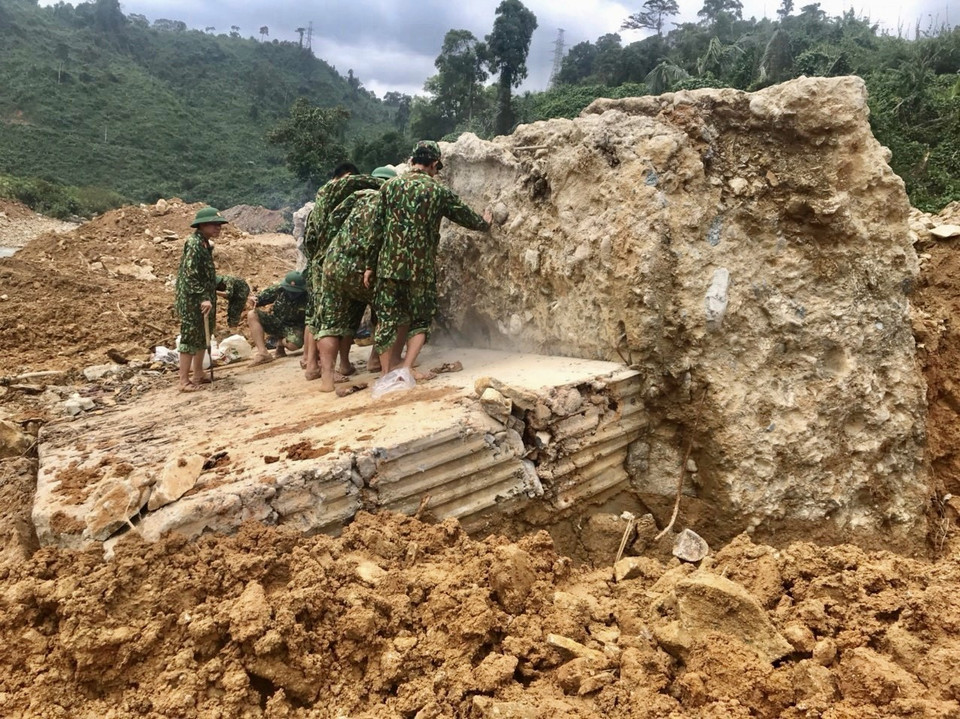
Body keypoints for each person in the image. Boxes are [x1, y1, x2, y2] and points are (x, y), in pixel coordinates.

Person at [367, 141, 493, 380]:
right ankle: (405, 368)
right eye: (437, 168)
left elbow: (376, 230)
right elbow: (464, 215)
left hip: (388, 268)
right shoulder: (437, 191)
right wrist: (485, 222)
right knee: (419, 320)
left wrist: (369, 265)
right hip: (420, 270)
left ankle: (386, 372)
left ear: (412, 160)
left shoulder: (389, 187)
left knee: (387, 318)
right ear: (434, 164)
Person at [313, 166, 396, 392]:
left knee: (330, 324)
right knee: (385, 312)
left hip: (334, 264)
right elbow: (385, 240)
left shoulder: (355, 197)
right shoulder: (390, 204)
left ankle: (328, 378)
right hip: (365, 268)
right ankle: (378, 363)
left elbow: (331, 222)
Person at [301, 163, 382, 380]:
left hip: (326, 264)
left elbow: (309, 240)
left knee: (327, 320)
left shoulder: (330, 205)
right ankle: (323, 364)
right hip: (342, 264)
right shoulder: (336, 193)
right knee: (330, 320)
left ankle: (321, 367)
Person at [175, 206, 226, 391]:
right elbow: (190, 275)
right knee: (190, 337)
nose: (218, 228)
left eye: (219, 225)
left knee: (203, 335)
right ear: (202, 225)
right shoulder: (194, 243)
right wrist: (202, 297)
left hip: (204, 297)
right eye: (214, 225)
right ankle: (183, 381)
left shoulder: (204, 243)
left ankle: (198, 374)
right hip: (193, 299)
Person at [247, 271, 308, 365]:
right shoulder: (278, 289)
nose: (292, 294)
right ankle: (263, 353)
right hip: (276, 321)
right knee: (252, 314)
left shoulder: (308, 296)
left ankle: (280, 343)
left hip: (295, 327)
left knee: (293, 344)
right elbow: (258, 300)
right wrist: (253, 300)